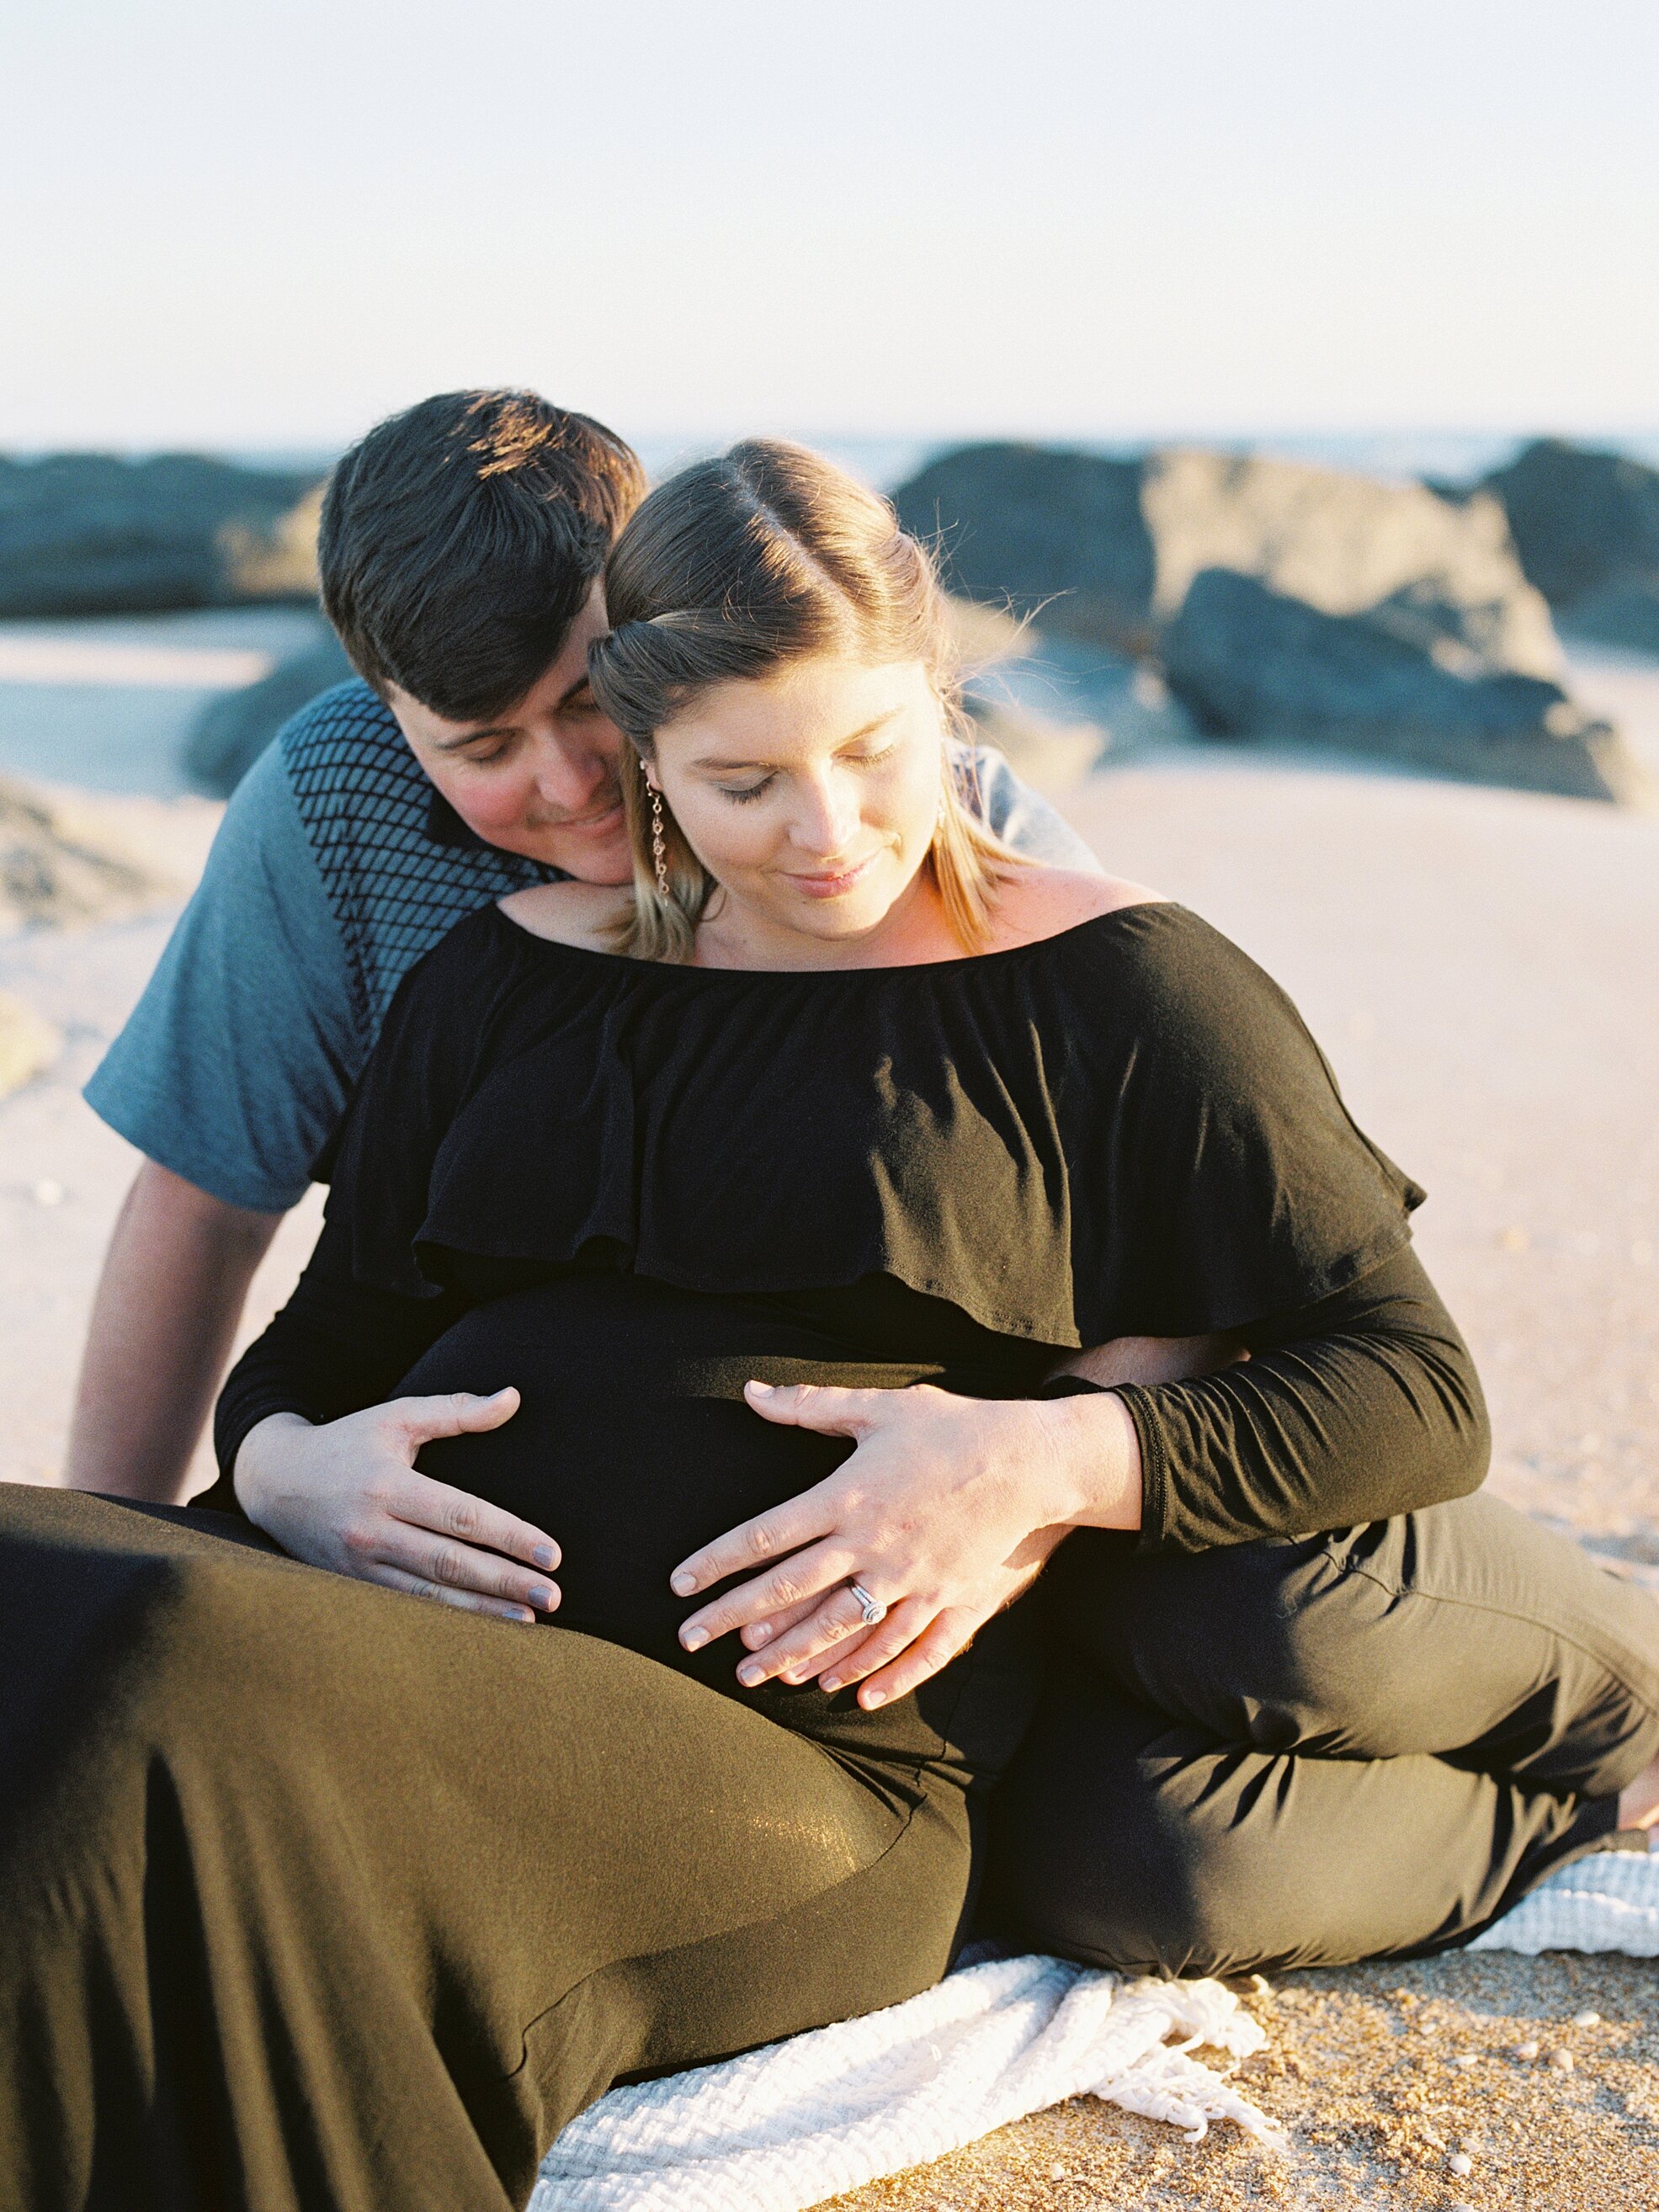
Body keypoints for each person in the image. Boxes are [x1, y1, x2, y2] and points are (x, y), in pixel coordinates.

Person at [5, 441, 1655, 2212]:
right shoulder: (498, 983)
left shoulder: (1115, 983)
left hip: (798, 1782)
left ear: (938, 700)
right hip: (404, 1649)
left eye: (873, 751)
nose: (826, 832)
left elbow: (1405, 1386)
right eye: (740, 782)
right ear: (641, 754)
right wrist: (288, 1465)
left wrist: (1037, 1457)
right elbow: (320, 1340)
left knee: (175, 1675)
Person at [66, 391, 1093, 1503]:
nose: (567, 784)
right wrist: (113, 1535)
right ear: (388, 713)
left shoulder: (907, 823)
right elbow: (207, 1206)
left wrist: (1018, 1494)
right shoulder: (337, 799)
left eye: (590, 700)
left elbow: (1165, 1222)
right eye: (484, 746)